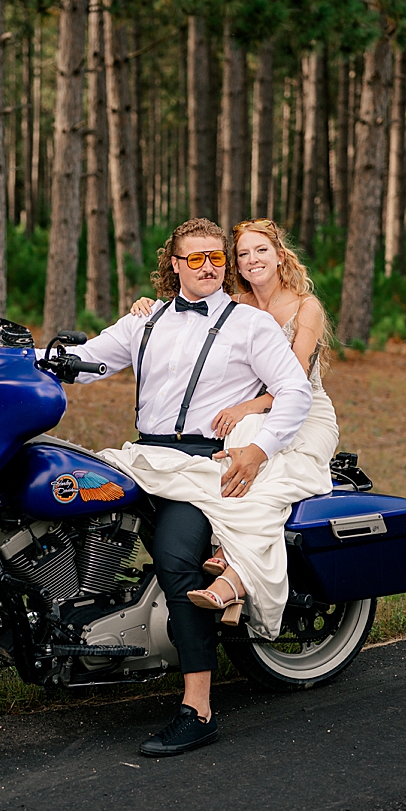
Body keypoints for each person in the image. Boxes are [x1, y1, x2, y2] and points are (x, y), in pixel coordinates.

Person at [66, 218, 319, 758]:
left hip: (203, 463)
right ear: (174, 266)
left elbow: (294, 392)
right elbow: (87, 361)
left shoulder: (249, 324)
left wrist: (258, 450)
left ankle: (198, 709)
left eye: (217, 258)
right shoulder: (145, 320)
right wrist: (26, 359)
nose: (208, 267)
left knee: (175, 558)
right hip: (143, 456)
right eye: (195, 259)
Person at [131, 218, 339, 603]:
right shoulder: (236, 306)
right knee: (230, 465)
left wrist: (245, 406)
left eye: (261, 250)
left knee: (270, 477)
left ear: (280, 256)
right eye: (242, 254)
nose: (252, 259)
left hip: (304, 415)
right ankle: (224, 553)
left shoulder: (305, 307)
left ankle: (235, 570)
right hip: (253, 416)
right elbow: (183, 322)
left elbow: (293, 382)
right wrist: (148, 309)